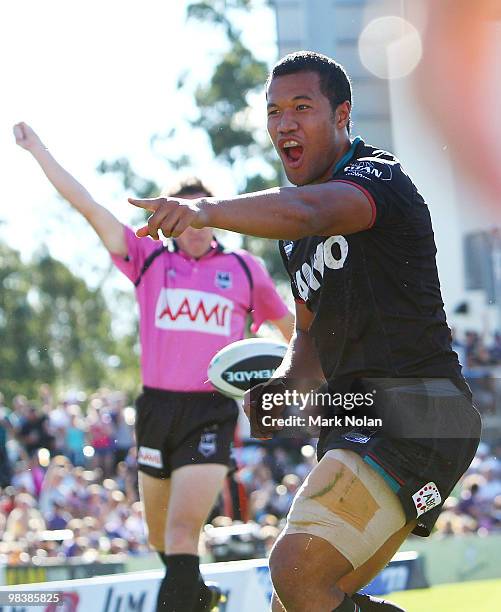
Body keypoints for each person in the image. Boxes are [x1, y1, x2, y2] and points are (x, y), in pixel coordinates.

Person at [125, 51, 482, 612]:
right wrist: (284, 392)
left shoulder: (377, 177)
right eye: (273, 112)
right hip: (358, 416)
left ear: (342, 116)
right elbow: (310, 343)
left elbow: (311, 211)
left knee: (295, 570)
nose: (283, 123)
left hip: (420, 410)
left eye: (301, 107)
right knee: (300, 599)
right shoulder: (294, 239)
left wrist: (204, 211)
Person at [14, 123, 293, 612]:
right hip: (156, 411)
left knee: (184, 533)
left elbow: (293, 332)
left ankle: (189, 598)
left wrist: (304, 381)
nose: (196, 221)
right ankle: (200, 595)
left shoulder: (246, 269)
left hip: (212, 410)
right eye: (184, 212)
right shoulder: (149, 259)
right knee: (164, 541)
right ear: (169, 218)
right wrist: (39, 150)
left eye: (204, 211)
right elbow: (89, 208)